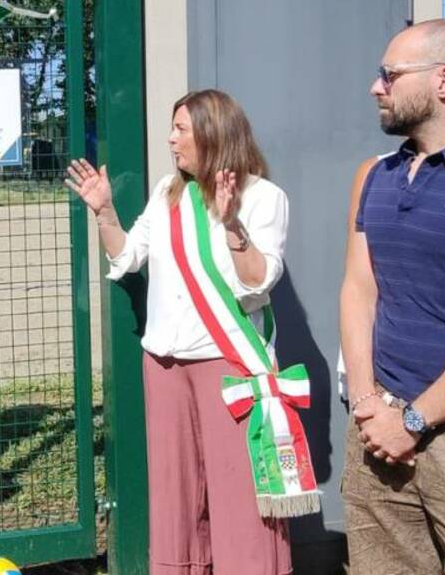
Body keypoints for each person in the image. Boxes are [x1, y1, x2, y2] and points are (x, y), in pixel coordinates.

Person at [66, 89, 314, 575]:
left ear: (213, 132)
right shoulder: (167, 193)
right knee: (175, 491)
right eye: (172, 128)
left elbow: (259, 280)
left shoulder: (263, 197)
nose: (170, 139)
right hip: (164, 364)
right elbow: (127, 256)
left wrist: (233, 227)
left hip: (226, 363)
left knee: (239, 490)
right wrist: (103, 211)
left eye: (180, 129)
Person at [339, 19, 445, 574]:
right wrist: (368, 402)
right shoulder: (378, 177)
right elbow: (359, 290)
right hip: (377, 427)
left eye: (389, 75)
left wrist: (413, 421)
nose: (375, 87)